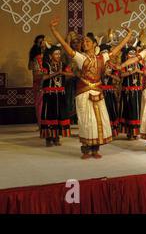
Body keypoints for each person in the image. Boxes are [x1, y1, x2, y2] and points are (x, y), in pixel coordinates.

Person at [49, 17, 133, 159]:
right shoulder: (80, 58)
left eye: (87, 41)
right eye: (83, 42)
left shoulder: (102, 58)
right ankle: (86, 149)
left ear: (94, 44)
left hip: (98, 93)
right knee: (86, 121)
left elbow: (118, 49)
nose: (84, 43)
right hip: (83, 93)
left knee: (98, 120)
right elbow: (66, 47)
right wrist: (54, 30)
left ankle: (96, 148)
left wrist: (129, 36)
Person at [40, 44, 73, 146]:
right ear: (50, 55)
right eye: (56, 54)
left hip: (60, 94)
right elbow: (43, 78)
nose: (58, 55)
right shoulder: (46, 65)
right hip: (50, 95)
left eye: (59, 53)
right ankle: (49, 138)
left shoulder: (63, 65)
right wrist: (56, 73)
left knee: (59, 115)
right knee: (50, 115)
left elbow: (71, 74)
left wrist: (62, 73)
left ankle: (56, 137)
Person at [119, 45, 144, 140]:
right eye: (130, 53)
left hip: (137, 91)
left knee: (136, 111)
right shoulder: (124, 64)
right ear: (126, 55)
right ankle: (129, 132)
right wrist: (132, 72)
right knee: (127, 111)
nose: (133, 55)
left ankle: (135, 133)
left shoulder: (139, 64)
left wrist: (138, 71)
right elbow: (121, 74)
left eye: (134, 53)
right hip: (127, 91)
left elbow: (145, 72)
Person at [100, 43, 121, 137]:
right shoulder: (98, 66)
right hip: (100, 92)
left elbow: (118, 79)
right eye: (103, 52)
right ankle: (102, 132)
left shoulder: (113, 66)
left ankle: (112, 132)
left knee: (111, 110)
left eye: (106, 52)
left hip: (110, 91)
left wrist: (109, 75)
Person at [28, 34, 46, 129]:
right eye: (41, 42)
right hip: (40, 83)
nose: (43, 44)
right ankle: (41, 125)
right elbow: (34, 72)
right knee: (40, 104)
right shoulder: (37, 58)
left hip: (49, 83)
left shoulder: (49, 56)